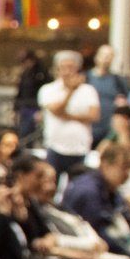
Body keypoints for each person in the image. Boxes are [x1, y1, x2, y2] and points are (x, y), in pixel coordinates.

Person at [40, 50, 101, 178]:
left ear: (78, 69)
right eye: (63, 67)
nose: (67, 71)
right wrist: (70, 91)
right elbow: (56, 110)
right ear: (57, 69)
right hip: (55, 147)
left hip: (80, 148)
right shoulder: (48, 89)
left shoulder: (88, 90)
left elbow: (94, 116)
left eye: (71, 67)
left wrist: (67, 116)